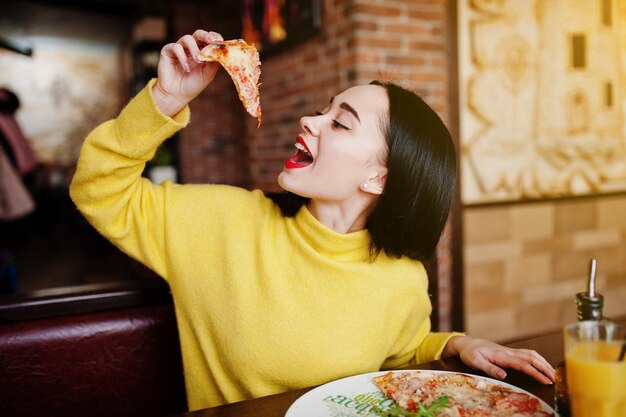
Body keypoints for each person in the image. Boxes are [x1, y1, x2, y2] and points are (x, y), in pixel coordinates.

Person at [70, 29, 555, 411]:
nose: (310, 121)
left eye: (339, 122)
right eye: (324, 110)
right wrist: (166, 101)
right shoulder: (222, 222)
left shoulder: (401, 277)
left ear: (380, 179)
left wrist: (457, 344)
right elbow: (99, 190)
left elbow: (400, 355)